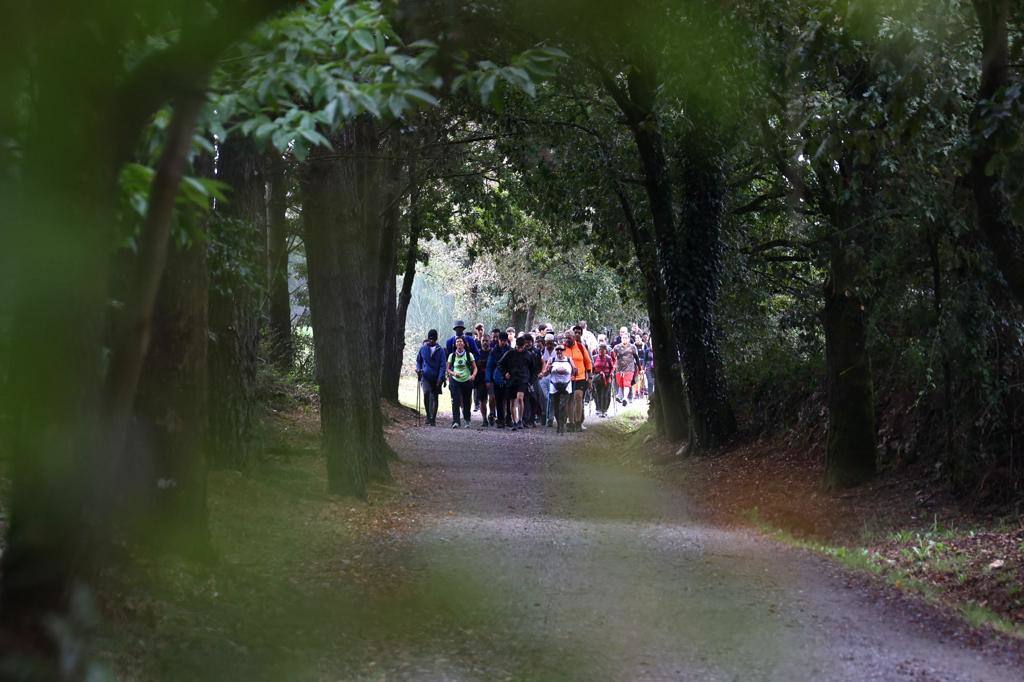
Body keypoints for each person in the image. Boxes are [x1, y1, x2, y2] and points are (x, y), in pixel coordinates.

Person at [498, 335, 532, 431]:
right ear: (515, 345)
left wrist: (530, 379)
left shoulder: (528, 355)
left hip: (523, 379)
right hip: (512, 379)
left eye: (521, 347)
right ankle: (515, 421)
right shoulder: (510, 353)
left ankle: (520, 420)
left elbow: (533, 368)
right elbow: (500, 364)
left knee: (520, 398)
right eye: (518, 347)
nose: (520, 349)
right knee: (512, 401)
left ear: (524, 346)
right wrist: (505, 373)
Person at [563, 330, 593, 432]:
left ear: (573, 338)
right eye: (565, 338)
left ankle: (578, 422)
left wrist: (590, 377)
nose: (567, 340)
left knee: (578, 396)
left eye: (569, 338)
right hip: (567, 378)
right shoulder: (562, 348)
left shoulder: (580, 347)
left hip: (580, 377)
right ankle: (570, 422)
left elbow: (588, 362)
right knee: (569, 399)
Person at [415, 329, 446, 426]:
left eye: (433, 339)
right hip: (425, 376)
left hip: (436, 377)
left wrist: (440, 378)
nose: (431, 340)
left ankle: (433, 418)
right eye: (430, 339)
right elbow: (418, 361)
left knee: (435, 397)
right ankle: (428, 415)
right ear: (428, 338)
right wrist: (418, 369)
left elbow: (443, 365)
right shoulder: (423, 349)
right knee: (426, 393)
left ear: (436, 339)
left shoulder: (440, 350)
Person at [542, 343, 575, 434]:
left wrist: (573, 374)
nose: (559, 352)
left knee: (562, 406)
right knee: (556, 406)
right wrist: (548, 369)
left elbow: (575, 370)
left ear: (564, 351)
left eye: (561, 350)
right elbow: (545, 373)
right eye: (557, 351)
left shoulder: (569, 360)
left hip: (566, 385)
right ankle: (559, 424)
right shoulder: (551, 360)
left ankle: (562, 424)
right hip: (554, 386)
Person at [446, 336, 477, 428]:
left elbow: (475, 367)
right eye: (457, 342)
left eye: (460, 341)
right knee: (455, 400)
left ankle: (467, 420)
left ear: (464, 344)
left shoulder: (469, 355)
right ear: (455, 344)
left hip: (467, 380)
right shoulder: (452, 356)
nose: (459, 343)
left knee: (467, 401)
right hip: (455, 381)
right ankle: (456, 421)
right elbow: (448, 369)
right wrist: (454, 373)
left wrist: (473, 375)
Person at [486, 332, 512, 428]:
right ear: (498, 340)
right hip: (497, 378)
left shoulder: (510, 350)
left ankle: (508, 419)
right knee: (498, 400)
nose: (503, 342)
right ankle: (500, 420)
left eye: (505, 341)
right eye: (501, 340)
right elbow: (489, 366)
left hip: (508, 378)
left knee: (508, 400)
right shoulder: (493, 351)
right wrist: (488, 380)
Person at [613, 328, 638, 405]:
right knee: (621, 383)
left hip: (629, 368)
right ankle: (620, 395)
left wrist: (640, 368)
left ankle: (625, 398)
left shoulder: (633, 347)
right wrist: (613, 366)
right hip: (619, 368)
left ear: (629, 339)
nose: (624, 339)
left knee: (627, 383)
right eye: (623, 338)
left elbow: (636, 358)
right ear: (621, 339)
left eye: (626, 338)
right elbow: (613, 357)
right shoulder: (616, 347)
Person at [591, 342, 615, 417]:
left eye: (602, 349)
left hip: (607, 378)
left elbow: (612, 368)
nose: (600, 351)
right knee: (597, 394)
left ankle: (604, 410)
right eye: (599, 349)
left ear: (605, 350)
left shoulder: (608, 358)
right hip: (597, 378)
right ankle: (599, 409)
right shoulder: (594, 358)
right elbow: (592, 368)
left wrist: (610, 375)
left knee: (605, 394)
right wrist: (592, 376)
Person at [475, 336, 491, 426]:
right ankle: (484, 419)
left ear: (490, 341)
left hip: (492, 380)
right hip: (481, 380)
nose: (485, 342)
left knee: (492, 398)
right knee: (482, 400)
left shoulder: (493, 352)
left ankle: (492, 414)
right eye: (483, 341)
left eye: (486, 341)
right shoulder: (478, 353)